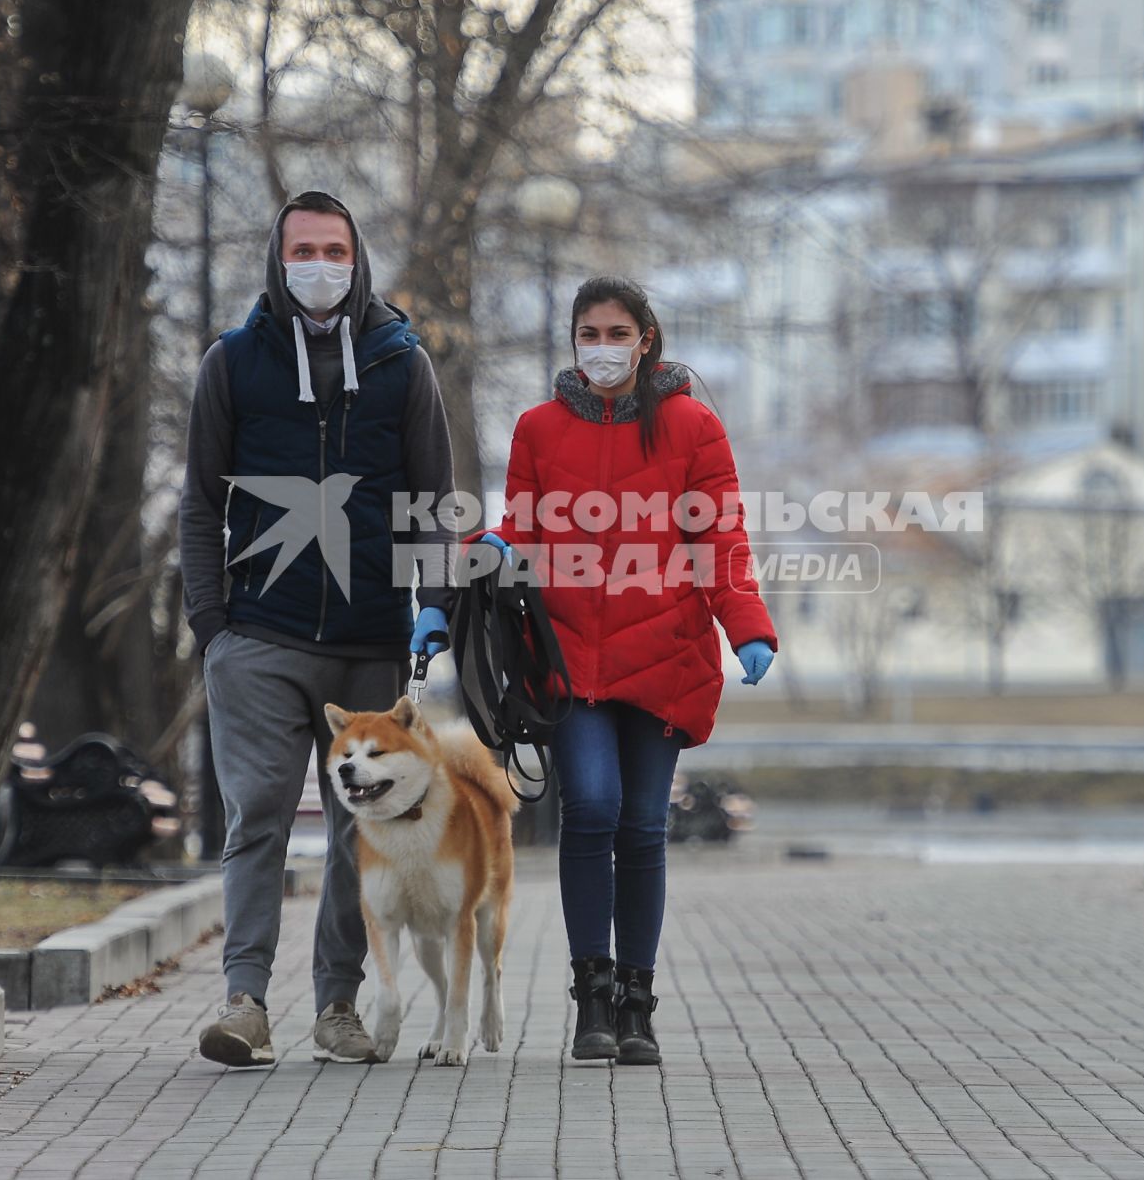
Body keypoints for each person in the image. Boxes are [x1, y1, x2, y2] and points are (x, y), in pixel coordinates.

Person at [179, 190, 457, 1066]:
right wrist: (210, 625)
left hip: (371, 638)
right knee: (257, 809)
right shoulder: (233, 363)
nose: (319, 264)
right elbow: (199, 501)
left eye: (334, 248)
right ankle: (245, 999)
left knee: (359, 827)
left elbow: (434, 504)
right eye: (303, 248)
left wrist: (433, 605)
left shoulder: (404, 364)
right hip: (258, 633)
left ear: (358, 257)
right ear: (277, 257)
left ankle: (337, 1003)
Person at [469, 275, 777, 1065]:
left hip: (664, 654)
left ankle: (637, 1005)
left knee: (643, 826)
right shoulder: (538, 427)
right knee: (593, 808)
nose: (601, 348)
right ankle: (592, 998)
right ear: (572, 341)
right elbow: (523, 521)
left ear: (647, 339)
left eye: (616, 333)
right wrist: (502, 544)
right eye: (587, 333)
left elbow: (721, 539)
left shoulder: (692, 425)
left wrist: (746, 624)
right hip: (568, 659)